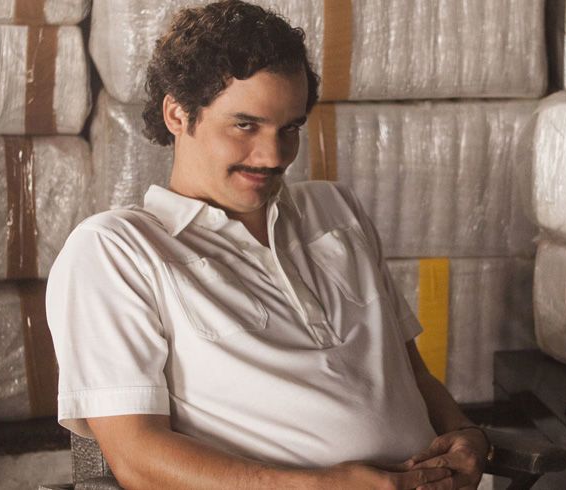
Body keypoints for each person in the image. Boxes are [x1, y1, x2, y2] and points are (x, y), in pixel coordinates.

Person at [46, 1, 490, 488]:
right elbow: (136, 458)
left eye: (290, 128)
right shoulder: (117, 251)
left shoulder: (337, 211)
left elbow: (411, 373)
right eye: (246, 125)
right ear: (177, 113)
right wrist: (320, 486)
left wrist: (465, 432)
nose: (273, 155)